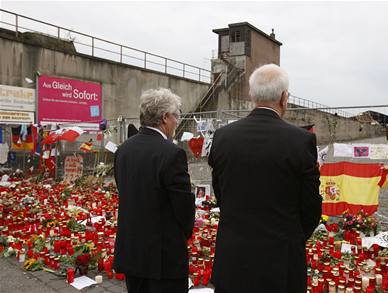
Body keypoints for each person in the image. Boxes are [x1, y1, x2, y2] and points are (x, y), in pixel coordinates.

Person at [208, 64, 322, 293]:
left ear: (252, 95)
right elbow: (311, 206)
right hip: (280, 261)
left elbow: (221, 193)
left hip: (233, 258)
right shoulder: (301, 141)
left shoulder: (223, 137)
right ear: (284, 98)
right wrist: (290, 235)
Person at [113, 88, 195, 293]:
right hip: (163, 257)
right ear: (165, 118)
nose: (177, 121)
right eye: (175, 116)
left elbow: (125, 191)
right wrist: (183, 234)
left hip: (132, 251)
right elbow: (183, 208)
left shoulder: (123, 150)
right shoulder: (172, 153)